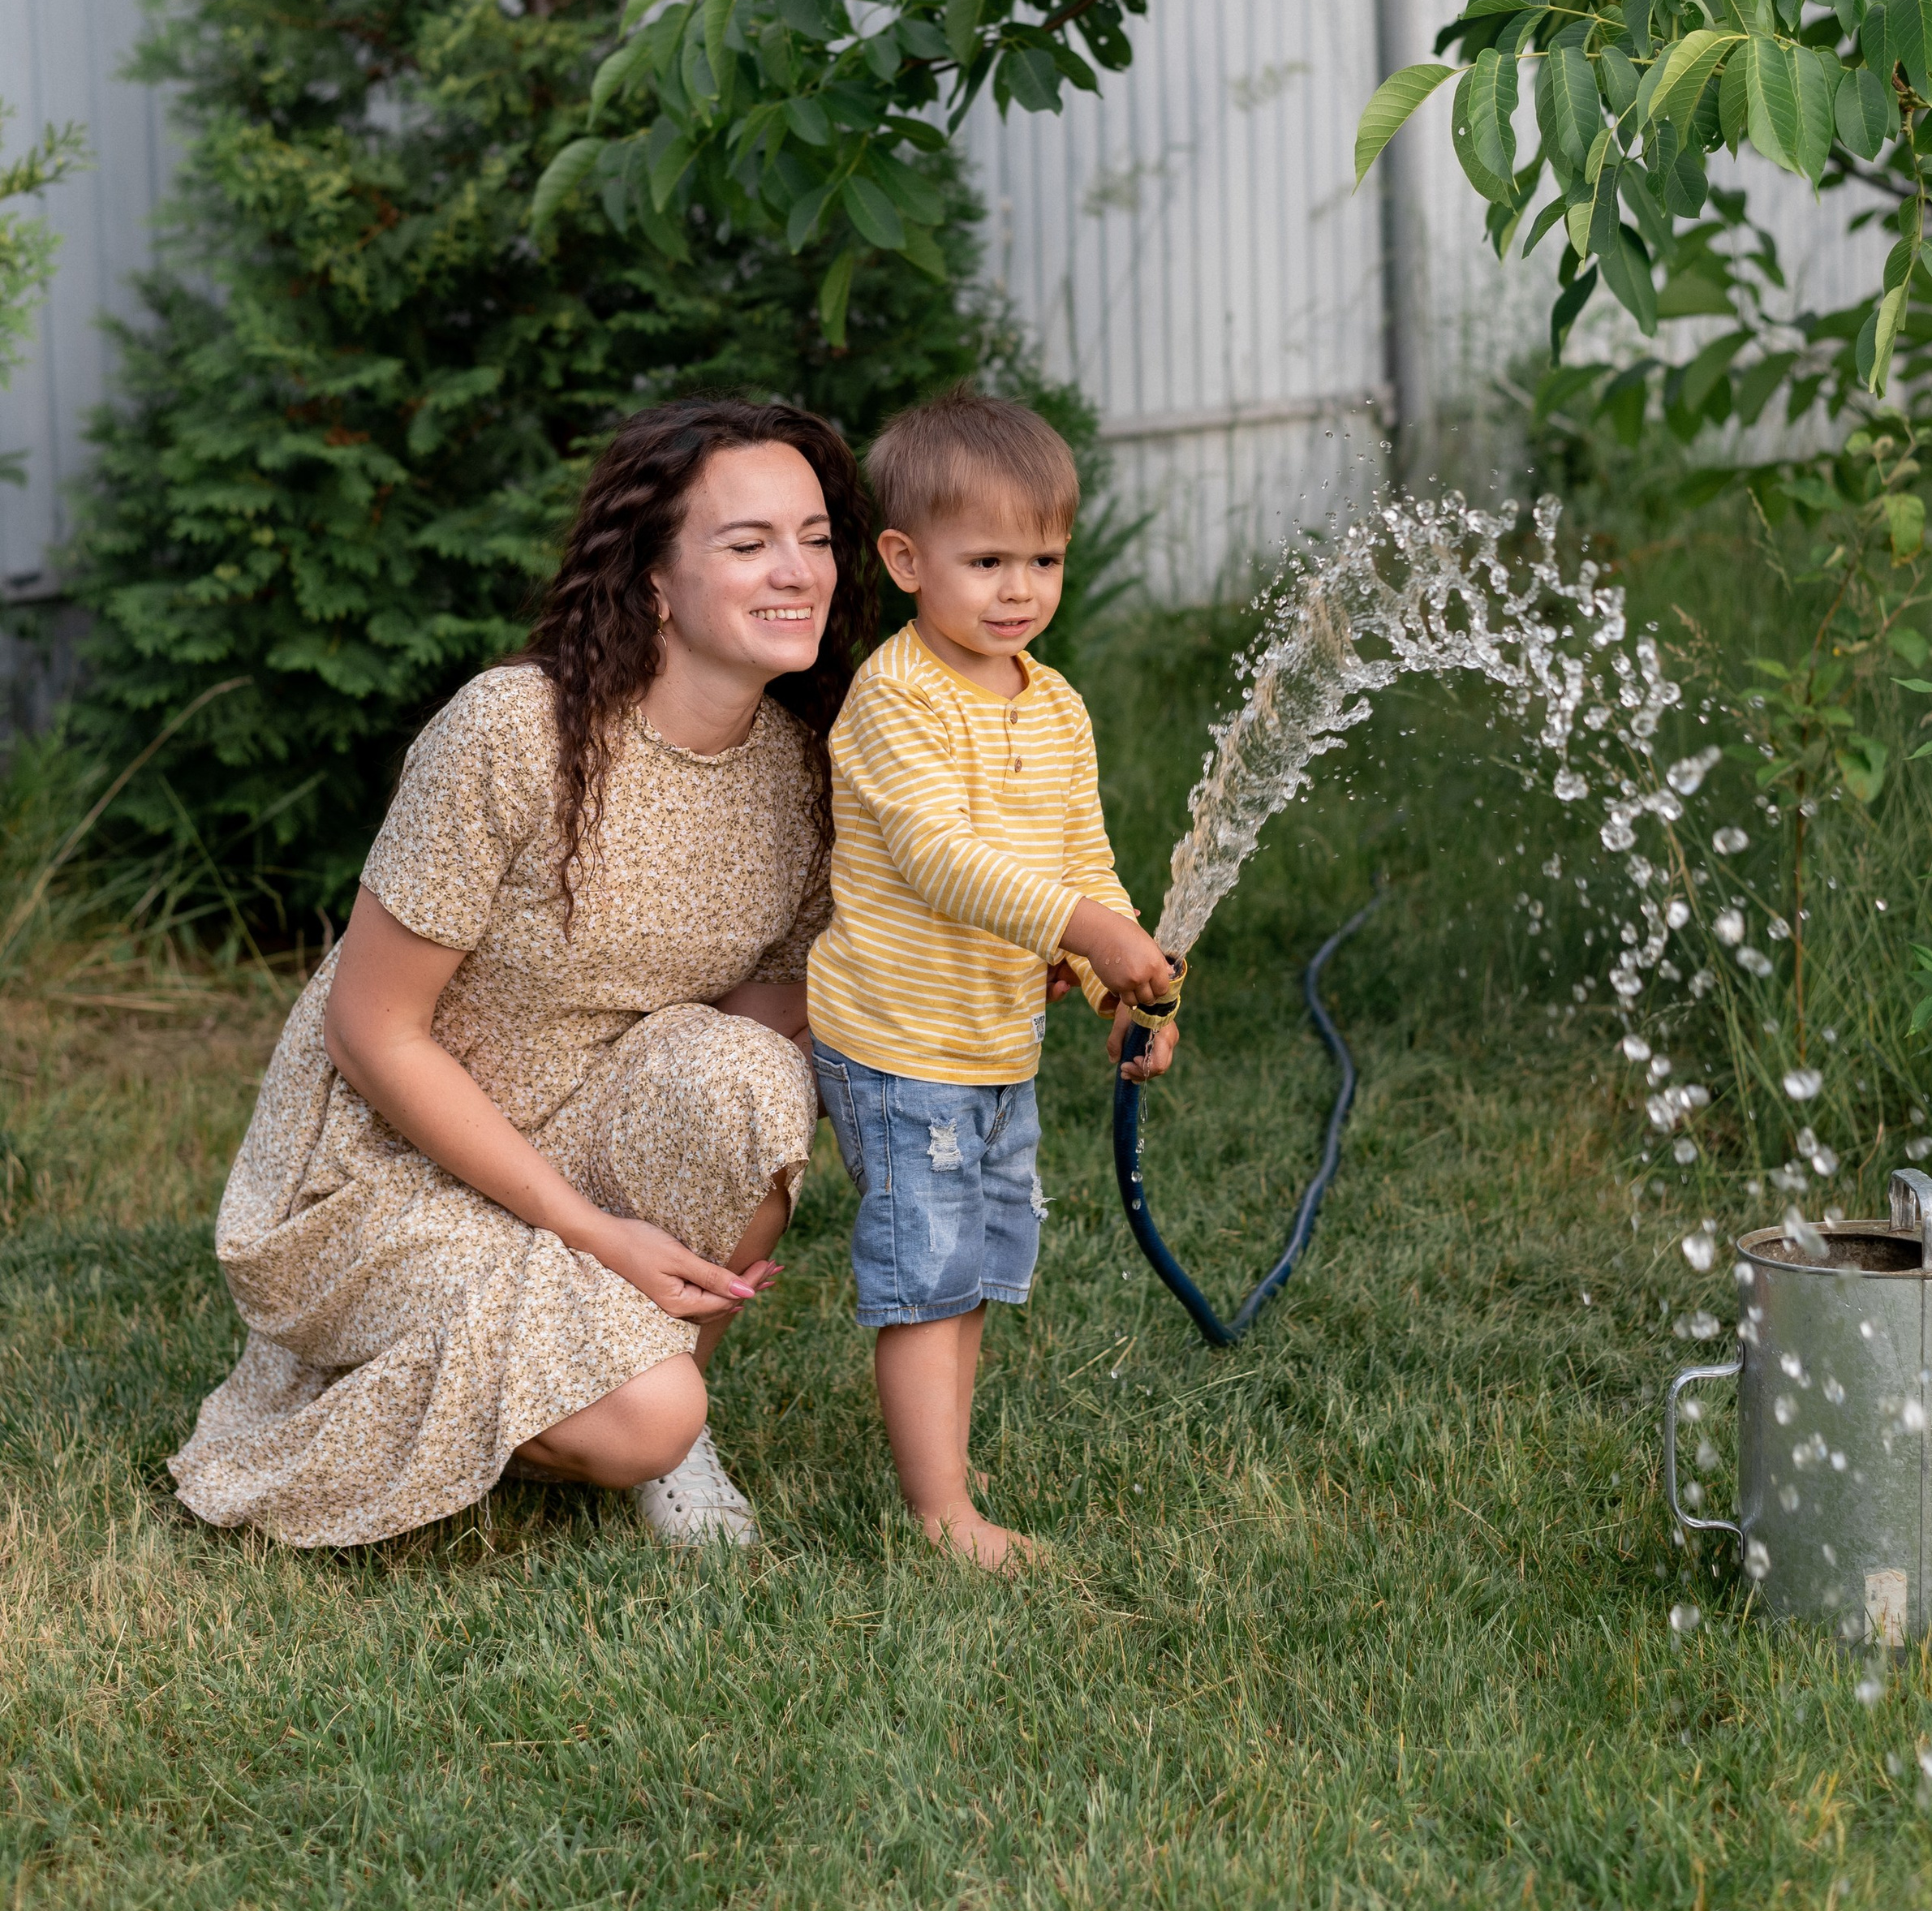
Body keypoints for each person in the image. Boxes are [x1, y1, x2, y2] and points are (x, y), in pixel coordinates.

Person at [169, 397, 878, 1552]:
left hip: (589, 1130)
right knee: (649, 1408)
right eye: (748, 543)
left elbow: (769, 1016)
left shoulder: (801, 773)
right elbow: (371, 1029)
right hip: (382, 1165)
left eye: (814, 536)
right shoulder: (513, 732)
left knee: (751, 1076)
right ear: (654, 578)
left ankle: (630, 1401)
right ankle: (364, 1393)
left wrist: (992, 974)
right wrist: (594, 1236)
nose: (797, 570)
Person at [807, 386, 1178, 1572]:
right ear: (908, 561)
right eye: (987, 560)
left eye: (1045, 558)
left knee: (967, 1271)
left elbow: (1082, 856)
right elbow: (939, 856)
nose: (1020, 588)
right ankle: (941, 1517)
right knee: (929, 1283)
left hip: (991, 1039)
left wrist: (1120, 972)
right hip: (901, 1039)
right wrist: (1079, 925)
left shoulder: (1054, 702)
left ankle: (948, 1479)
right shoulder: (898, 697)